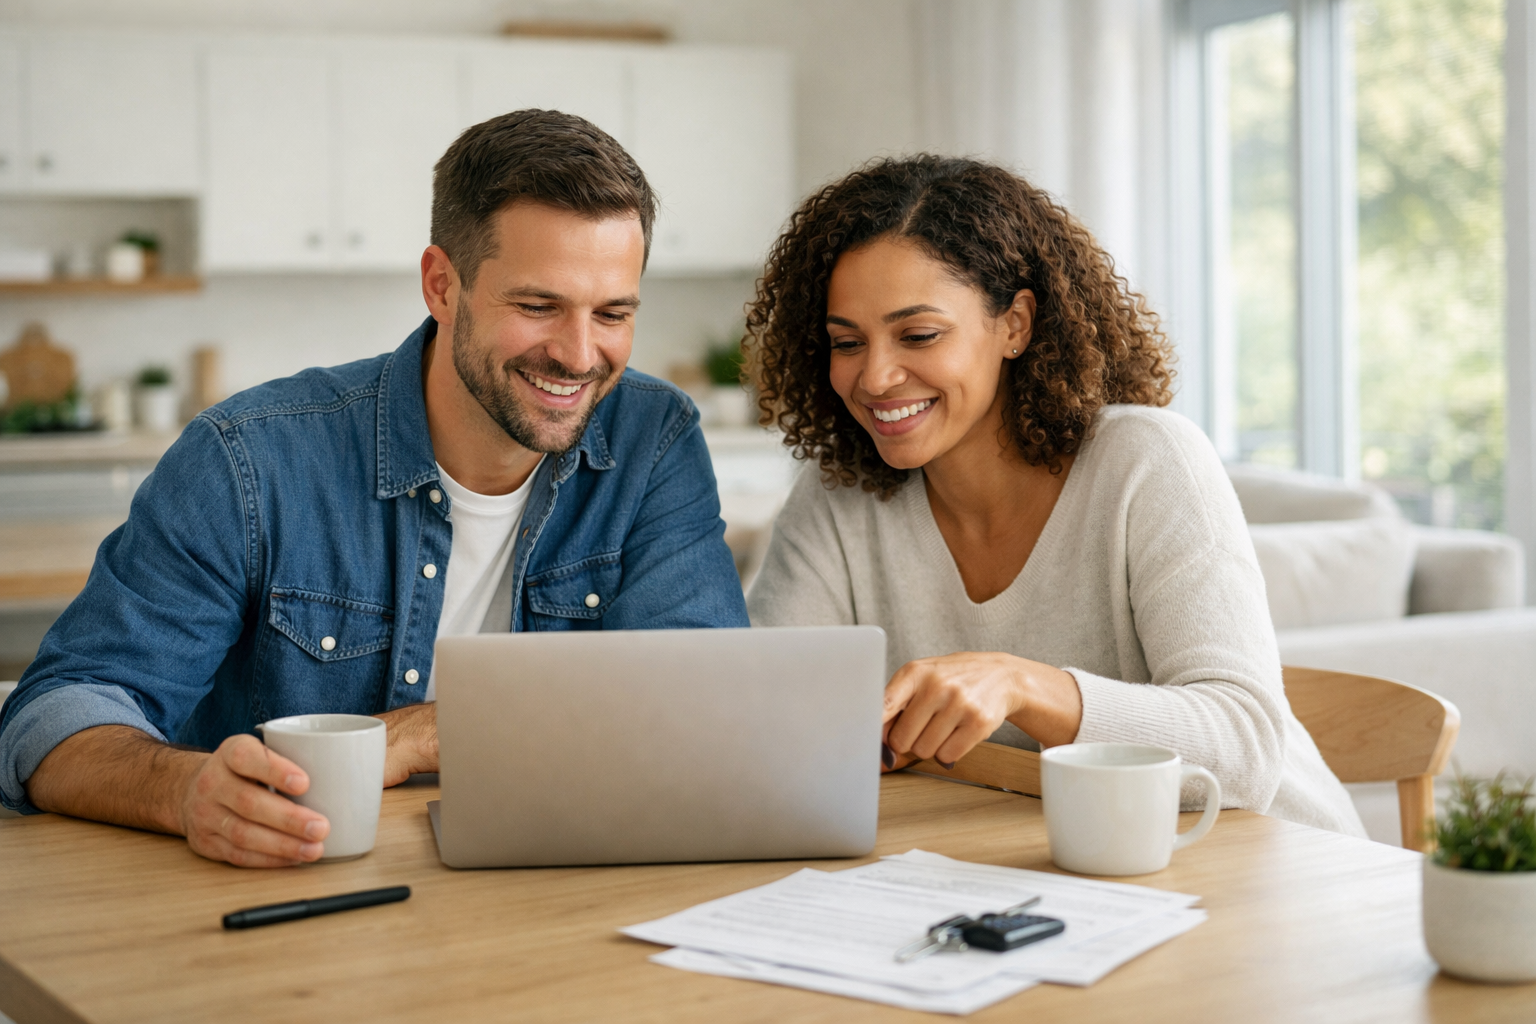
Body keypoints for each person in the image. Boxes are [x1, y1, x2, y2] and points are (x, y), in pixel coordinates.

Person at [0, 109, 749, 863]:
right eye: (537, 306)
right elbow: (56, 715)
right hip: (292, 905)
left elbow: (697, 704)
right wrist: (182, 790)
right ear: (441, 286)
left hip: (545, 897)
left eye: (613, 313)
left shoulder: (654, 440)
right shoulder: (249, 460)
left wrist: (432, 728)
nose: (580, 355)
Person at [744, 156, 1365, 836]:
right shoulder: (837, 499)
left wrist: (1023, 685)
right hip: (1046, 869)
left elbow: (1243, 753)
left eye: (918, 335)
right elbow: (770, 727)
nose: (875, 376)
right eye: (846, 342)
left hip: (1275, 867)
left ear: (1015, 324)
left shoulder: (1146, 461)